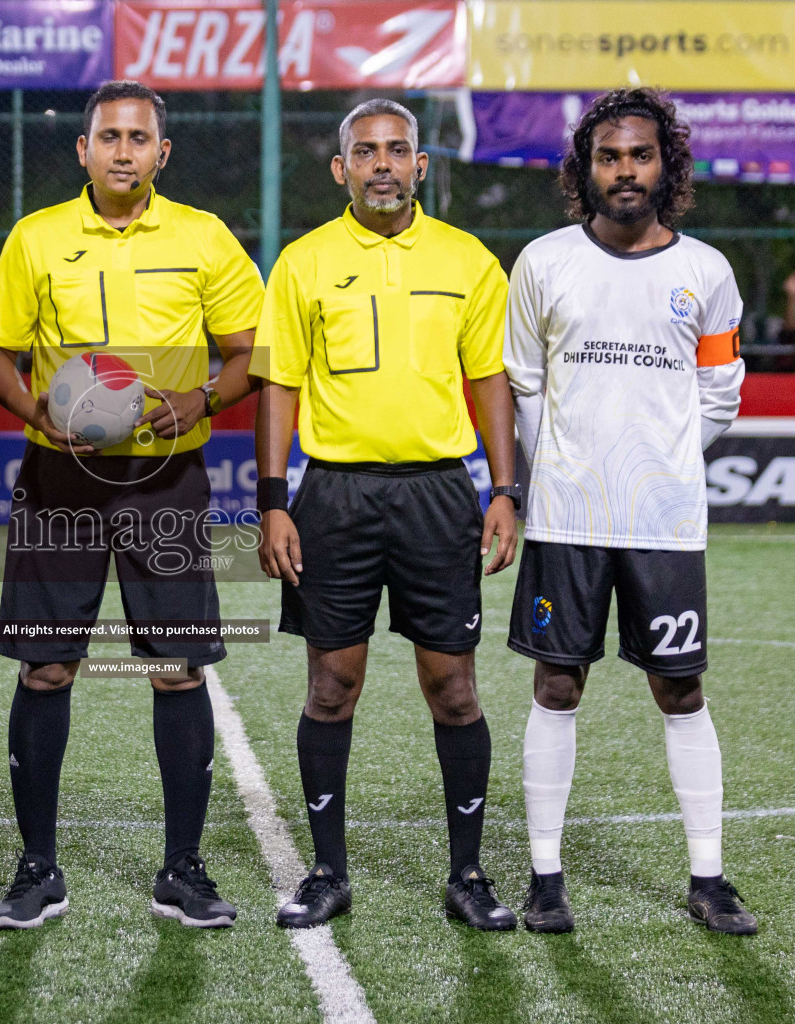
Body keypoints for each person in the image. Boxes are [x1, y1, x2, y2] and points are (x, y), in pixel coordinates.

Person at [0, 80, 264, 930]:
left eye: (139, 138)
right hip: (58, 481)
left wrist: (206, 402)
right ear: (83, 149)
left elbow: (250, 352)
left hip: (165, 483)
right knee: (47, 668)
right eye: (108, 136)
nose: (123, 151)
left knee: (177, 671)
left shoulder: (203, 237)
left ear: (161, 153)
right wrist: (38, 412)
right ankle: (38, 869)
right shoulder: (36, 240)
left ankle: (182, 868)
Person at [254, 98, 520, 931]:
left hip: (440, 492)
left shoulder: (469, 259)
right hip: (333, 494)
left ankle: (468, 873)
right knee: (332, 684)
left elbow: (490, 384)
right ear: (340, 169)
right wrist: (272, 501)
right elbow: (278, 385)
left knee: (455, 686)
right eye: (364, 151)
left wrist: (505, 490)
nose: (381, 165)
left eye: (397, 150)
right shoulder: (302, 262)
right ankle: (327, 871)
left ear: (421, 165)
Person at [503, 87, 756, 936]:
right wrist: (558, 472)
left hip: (666, 523)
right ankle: (545, 877)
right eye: (608, 156)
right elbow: (525, 387)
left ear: (666, 166)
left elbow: (719, 392)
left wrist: (668, 463)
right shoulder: (542, 261)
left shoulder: (706, 273)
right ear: (586, 168)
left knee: (680, 689)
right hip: (566, 519)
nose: (624, 170)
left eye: (640, 155)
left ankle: (709, 877)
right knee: (556, 683)